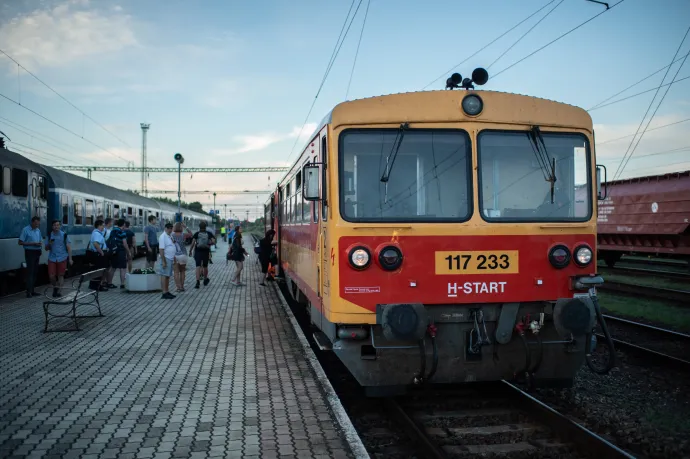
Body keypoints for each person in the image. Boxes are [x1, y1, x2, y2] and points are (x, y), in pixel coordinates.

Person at [45, 220, 73, 297]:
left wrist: (70, 259)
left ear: (60, 226)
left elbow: (69, 248)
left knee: (61, 275)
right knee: (51, 276)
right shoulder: (49, 235)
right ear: (52, 226)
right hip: (52, 258)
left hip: (62, 257)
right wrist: (49, 244)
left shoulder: (64, 235)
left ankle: (59, 291)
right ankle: (55, 287)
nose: (56, 226)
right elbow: (46, 248)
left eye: (58, 225)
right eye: (54, 225)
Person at [18, 216, 43, 298]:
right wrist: (32, 243)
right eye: (35, 224)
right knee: (30, 272)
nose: (37, 225)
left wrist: (39, 245)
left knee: (35, 272)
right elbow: (20, 242)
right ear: (32, 222)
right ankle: (28, 292)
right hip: (29, 252)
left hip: (37, 252)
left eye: (38, 224)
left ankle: (32, 290)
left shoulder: (38, 230)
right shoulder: (25, 230)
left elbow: (39, 241)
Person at [189, 221, 216, 289]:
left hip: (198, 251)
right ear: (205, 227)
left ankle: (197, 282)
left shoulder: (197, 234)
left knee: (198, 266)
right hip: (206, 251)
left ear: (199, 227)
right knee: (205, 266)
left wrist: (190, 251)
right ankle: (205, 279)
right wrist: (209, 244)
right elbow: (213, 241)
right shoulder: (209, 233)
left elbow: (193, 243)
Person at [87, 220, 109, 291]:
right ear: (99, 225)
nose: (103, 227)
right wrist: (101, 252)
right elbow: (96, 244)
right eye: (102, 225)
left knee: (96, 270)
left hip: (97, 254)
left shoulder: (96, 232)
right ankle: (97, 286)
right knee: (99, 271)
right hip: (99, 254)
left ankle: (93, 285)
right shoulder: (97, 234)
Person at [107, 219, 130, 289]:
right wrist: (128, 252)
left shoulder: (113, 231)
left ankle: (109, 283)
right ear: (123, 225)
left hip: (113, 251)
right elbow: (125, 243)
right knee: (123, 268)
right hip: (121, 251)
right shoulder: (122, 232)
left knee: (113, 268)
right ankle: (122, 284)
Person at [158, 223, 176, 299]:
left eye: (171, 228)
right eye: (168, 228)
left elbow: (172, 246)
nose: (170, 230)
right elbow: (161, 250)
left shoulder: (169, 235)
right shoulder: (162, 237)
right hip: (166, 258)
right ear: (165, 228)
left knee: (168, 276)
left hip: (170, 258)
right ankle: (164, 292)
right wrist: (164, 261)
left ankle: (167, 291)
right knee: (164, 276)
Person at [172, 222, 188, 292]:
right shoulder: (183, 235)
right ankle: (182, 286)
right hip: (183, 255)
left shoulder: (171, 235)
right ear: (181, 228)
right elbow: (191, 234)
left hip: (175, 255)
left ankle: (178, 287)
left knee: (176, 272)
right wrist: (186, 227)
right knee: (182, 272)